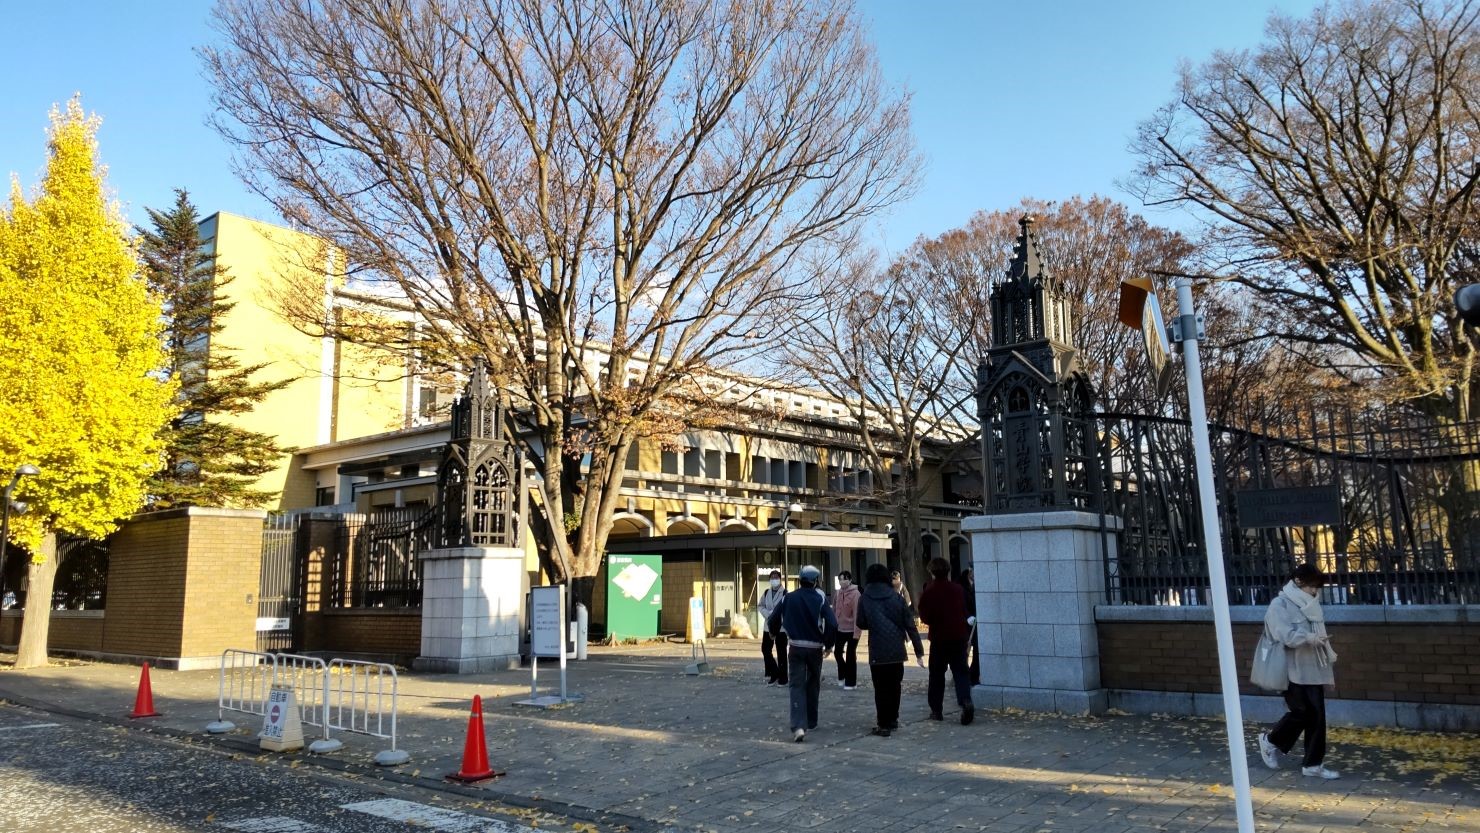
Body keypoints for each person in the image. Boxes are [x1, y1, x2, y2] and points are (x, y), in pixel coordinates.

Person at [1257, 563, 1340, 780]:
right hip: (1289, 668)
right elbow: (1284, 635)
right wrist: (1309, 638)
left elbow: (1323, 643)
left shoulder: (1313, 606)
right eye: (1312, 586)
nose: (1315, 591)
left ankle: (1313, 764)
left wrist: (1328, 675)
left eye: (1317, 587)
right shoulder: (1280, 605)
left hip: (1313, 668)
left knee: (1317, 717)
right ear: (1299, 581)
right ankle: (1271, 741)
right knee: (1302, 712)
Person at [767, 565, 838, 742]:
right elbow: (833, 623)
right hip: (815, 648)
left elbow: (774, 618)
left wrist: (773, 632)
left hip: (796, 646)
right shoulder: (820, 598)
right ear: (816, 581)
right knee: (813, 683)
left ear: (800, 581)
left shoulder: (788, 597)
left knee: (796, 685)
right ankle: (812, 721)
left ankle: (798, 726)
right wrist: (829, 644)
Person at [856, 562, 925, 738]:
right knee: (895, 685)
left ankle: (883, 723)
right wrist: (919, 651)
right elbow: (910, 626)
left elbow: (861, 623)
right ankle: (893, 718)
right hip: (896, 649)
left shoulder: (865, 598)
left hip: (877, 649)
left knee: (880, 688)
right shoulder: (897, 598)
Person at [917, 557, 975, 725]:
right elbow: (965, 609)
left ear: (932, 572)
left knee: (936, 674)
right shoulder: (957, 589)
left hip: (939, 637)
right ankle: (965, 700)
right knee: (961, 672)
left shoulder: (929, 590)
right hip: (958, 635)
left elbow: (925, 616)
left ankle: (936, 710)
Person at [757, 569, 788, 686]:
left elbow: (787, 610)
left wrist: (776, 614)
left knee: (782, 653)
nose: (774, 579)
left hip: (781, 628)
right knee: (765, 649)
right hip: (768, 626)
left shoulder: (785, 593)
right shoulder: (766, 593)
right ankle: (774, 672)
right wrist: (768, 613)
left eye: (776, 577)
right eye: (772, 577)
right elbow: (760, 606)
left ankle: (783, 678)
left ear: (780, 579)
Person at [832, 570, 861, 690]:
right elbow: (834, 609)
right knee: (837, 652)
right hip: (840, 628)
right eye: (839, 579)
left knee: (850, 655)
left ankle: (851, 682)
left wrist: (856, 632)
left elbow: (857, 614)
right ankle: (842, 674)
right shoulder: (838, 593)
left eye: (843, 579)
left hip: (851, 630)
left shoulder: (856, 594)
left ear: (849, 580)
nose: (841, 582)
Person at [957, 567, 981, 685]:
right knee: (964, 651)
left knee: (976, 651)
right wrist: (967, 617)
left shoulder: (978, 584)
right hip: (966, 623)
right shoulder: (961, 586)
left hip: (976, 623)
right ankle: (963, 675)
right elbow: (960, 605)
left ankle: (973, 676)